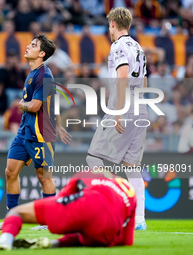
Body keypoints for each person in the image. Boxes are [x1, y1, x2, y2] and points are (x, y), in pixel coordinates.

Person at [0, 34, 71, 231]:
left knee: (44, 177)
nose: (27, 47)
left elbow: (34, 106)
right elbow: (53, 102)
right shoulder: (33, 73)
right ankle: (11, 219)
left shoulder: (44, 75)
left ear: (42, 53)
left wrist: (21, 104)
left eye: (33, 45)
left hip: (41, 134)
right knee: (10, 172)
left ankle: (50, 220)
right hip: (25, 131)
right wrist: (58, 124)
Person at [86, 7, 148, 230]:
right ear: (129, 26)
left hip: (123, 107)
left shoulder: (118, 45)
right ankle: (139, 219)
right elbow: (144, 82)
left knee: (93, 158)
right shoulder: (138, 47)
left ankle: (115, 205)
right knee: (132, 166)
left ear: (112, 24)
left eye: (109, 25)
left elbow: (122, 77)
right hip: (140, 107)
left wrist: (119, 112)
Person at [0, 170, 136, 250]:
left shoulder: (87, 174)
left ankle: (4, 242)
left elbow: (60, 199)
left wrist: (49, 215)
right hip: (107, 229)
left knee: (16, 212)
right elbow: (126, 241)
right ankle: (53, 244)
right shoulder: (129, 189)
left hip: (87, 204)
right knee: (85, 236)